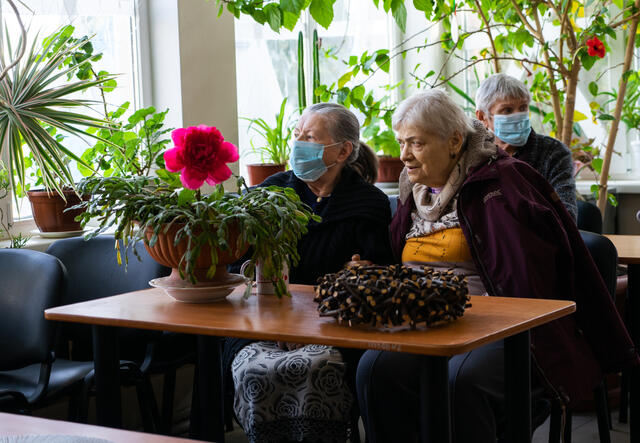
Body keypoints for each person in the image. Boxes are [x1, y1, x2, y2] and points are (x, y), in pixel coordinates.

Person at [355, 90, 637, 443]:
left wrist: (482, 312)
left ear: (454, 141)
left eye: (416, 143)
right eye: (401, 143)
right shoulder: (413, 189)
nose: (404, 155)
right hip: (427, 317)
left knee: (462, 381)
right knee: (376, 370)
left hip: (501, 324)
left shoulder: (503, 183)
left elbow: (529, 277)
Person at [224, 102, 394, 443]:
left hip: (332, 328)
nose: (298, 144)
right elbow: (235, 268)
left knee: (316, 367)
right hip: (261, 323)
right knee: (256, 367)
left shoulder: (367, 202)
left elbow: (377, 277)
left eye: (310, 137)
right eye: (297, 135)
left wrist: (362, 273)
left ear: (343, 151)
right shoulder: (269, 194)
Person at [475, 73, 577, 220]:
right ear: (482, 117)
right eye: (507, 110)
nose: (518, 116)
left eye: (523, 108)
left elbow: (567, 217)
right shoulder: (473, 156)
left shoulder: (554, 153)